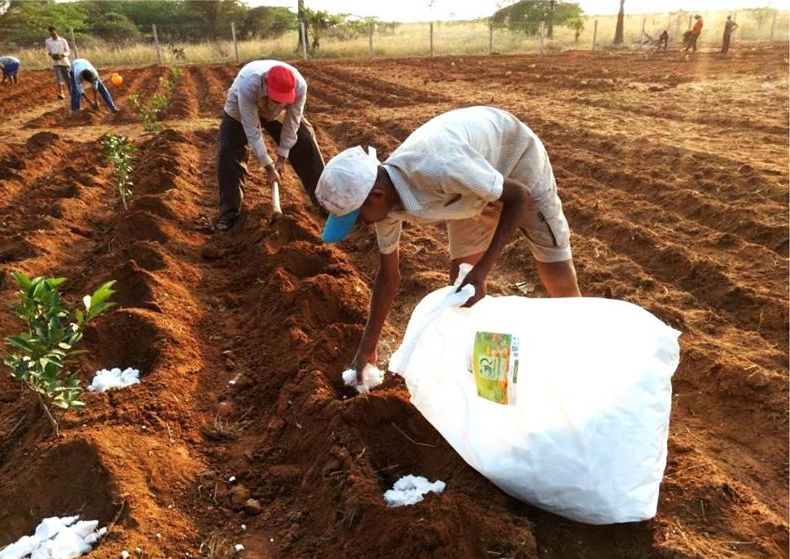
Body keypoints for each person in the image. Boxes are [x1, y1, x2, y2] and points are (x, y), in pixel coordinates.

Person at [315, 106, 581, 379]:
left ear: (376, 195)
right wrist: (366, 350)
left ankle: (580, 349)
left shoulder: (439, 167)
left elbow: (519, 196)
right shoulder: (384, 207)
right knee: (463, 287)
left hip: (516, 163)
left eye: (357, 218)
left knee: (555, 269)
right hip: (470, 191)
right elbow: (388, 276)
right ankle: (487, 375)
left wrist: (483, 269)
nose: (360, 225)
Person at [215, 60, 324, 231]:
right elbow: (252, 130)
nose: (279, 102)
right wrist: (268, 166)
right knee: (229, 150)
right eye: (276, 99)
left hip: (280, 115)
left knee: (306, 142)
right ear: (266, 83)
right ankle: (229, 213)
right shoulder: (248, 84)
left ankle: (324, 202)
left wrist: (282, 157)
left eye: (284, 100)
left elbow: (292, 123)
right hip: (242, 107)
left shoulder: (300, 86)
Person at [45, 26, 71, 100]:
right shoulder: (48, 41)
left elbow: (68, 51)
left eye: (53, 31)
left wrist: (62, 55)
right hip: (55, 62)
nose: (52, 33)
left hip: (64, 62)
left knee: (68, 78)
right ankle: (61, 93)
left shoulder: (63, 40)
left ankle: (71, 92)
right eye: (50, 32)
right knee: (59, 78)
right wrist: (51, 55)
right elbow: (47, 50)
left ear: (56, 31)